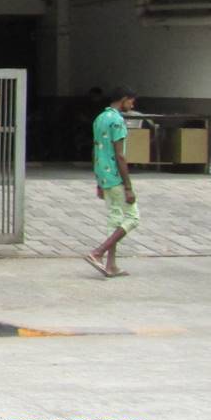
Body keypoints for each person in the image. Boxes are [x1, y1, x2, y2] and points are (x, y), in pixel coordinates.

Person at [85, 86, 140, 278]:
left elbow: (96, 150)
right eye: (131, 101)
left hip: (103, 174)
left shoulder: (100, 118)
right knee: (133, 218)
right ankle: (98, 252)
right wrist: (128, 187)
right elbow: (120, 155)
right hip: (116, 176)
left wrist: (99, 181)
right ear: (124, 99)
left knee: (115, 218)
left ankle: (111, 265)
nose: (132, 105)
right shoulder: (117, 120)